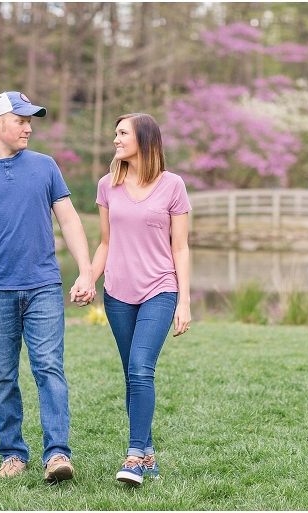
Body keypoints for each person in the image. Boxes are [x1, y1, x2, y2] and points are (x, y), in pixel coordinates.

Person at [0, 91, 95, 482]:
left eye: (32, 121)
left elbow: (70, 220)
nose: (29, 127)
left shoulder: (45, 166)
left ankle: (58, 454)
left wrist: (86, 271)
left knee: (49, 368)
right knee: (1, 375)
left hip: (44, 285)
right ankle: (12, 453)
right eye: (21, 120)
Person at [91, 113, 192, 485]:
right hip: (117, 292)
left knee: (140, 369)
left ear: (144, 140)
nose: (115, 140)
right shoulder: (107, 185)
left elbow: (179, 248)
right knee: (131, 375)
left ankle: (133, 456)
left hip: (160, 289)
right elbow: (105, 242)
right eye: (115, 133)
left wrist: (184, 301)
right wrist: (88, 276)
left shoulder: (173, 185)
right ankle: (148, 453)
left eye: (122, 134)